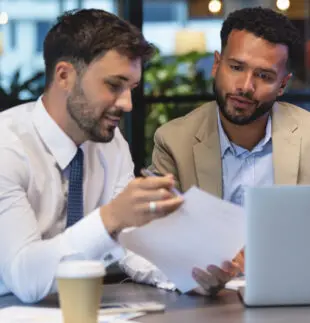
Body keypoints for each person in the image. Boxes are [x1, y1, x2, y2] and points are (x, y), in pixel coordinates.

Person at [120, 6, 310, 296]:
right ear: (217, 65)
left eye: (264, 76)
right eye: (236, 67)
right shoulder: (175, 140)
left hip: (300, 294)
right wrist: (197, 274)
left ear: (282, 85)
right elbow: (153, 242)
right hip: (210, 303)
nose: (244, 87)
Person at [0, 9, 183, 303]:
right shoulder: (5, 148)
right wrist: (111, 217)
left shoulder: (110, 143)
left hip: (86, 304)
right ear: (64, 76)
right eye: (113, 85)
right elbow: (25, 277)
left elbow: (131, 243)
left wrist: (190, 272)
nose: (127, 104)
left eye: (131, 89)